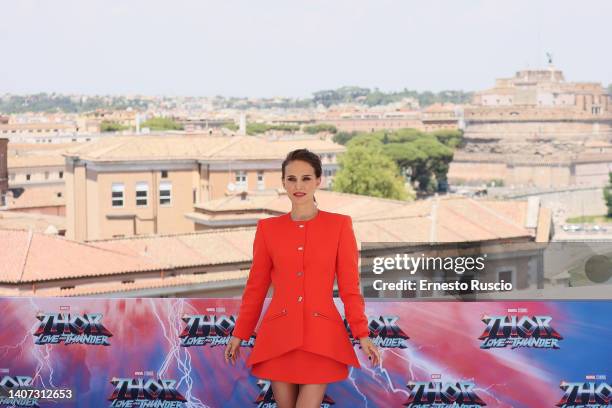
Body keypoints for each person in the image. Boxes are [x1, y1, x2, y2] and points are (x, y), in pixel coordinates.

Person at [225, 149, 380, 408]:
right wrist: (239, 333)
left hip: (322, 337)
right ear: (283, 182)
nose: (298, 186)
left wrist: (362, 334)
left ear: (319, 181)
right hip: (278, 337)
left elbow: (349, 287)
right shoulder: (267, 229)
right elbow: (256, 288)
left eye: (306, 178)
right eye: (292, 179)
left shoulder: (340, 225)